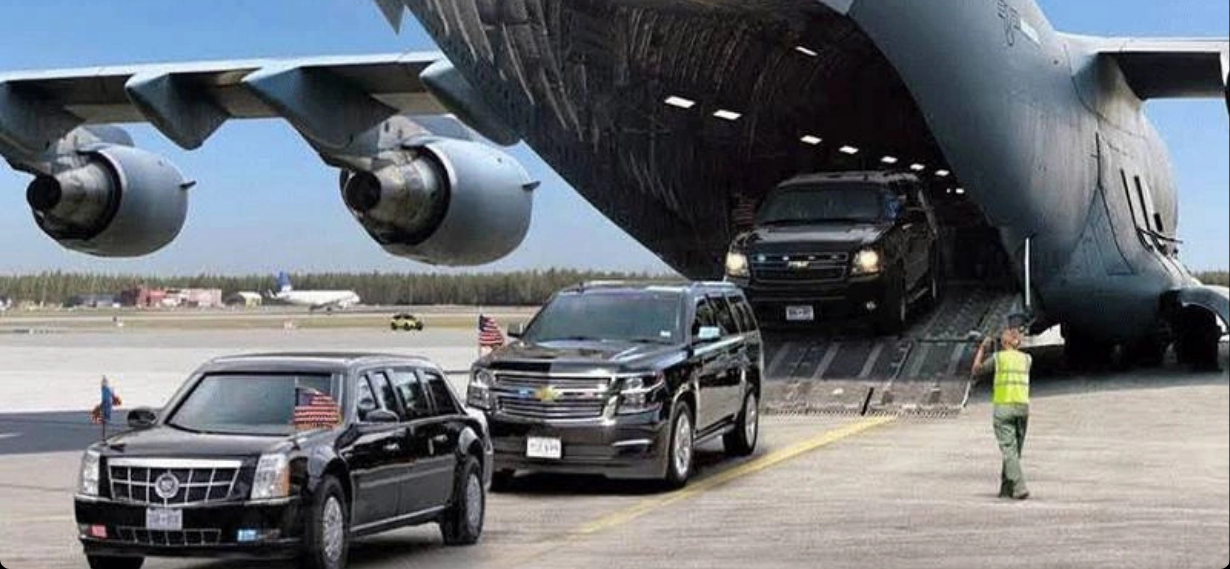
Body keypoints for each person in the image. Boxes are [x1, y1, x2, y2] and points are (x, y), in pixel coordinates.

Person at [971, 327, 1032, 500]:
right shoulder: (1027, 359)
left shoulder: (998, 358)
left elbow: (976, 370)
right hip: (1022, 408)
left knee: (1008, 449)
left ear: (1003, 343)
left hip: (1003, 408)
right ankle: (1006, 488)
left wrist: (983, 348)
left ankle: (1019, 487)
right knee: (1015, 450)